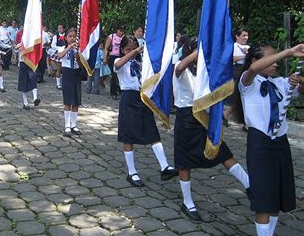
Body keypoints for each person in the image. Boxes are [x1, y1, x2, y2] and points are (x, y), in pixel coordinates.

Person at [238, 43, 303, 236]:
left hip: (280, 143)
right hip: (260, 144)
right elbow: (254, 67)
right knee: (264, 199)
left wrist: (299, 81)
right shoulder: (247, 82)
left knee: (276, 196)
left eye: (277, 58)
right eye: (271, 58)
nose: (275, 62)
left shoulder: (280, 84)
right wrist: (288, 52)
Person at [173, 38, 250, 221]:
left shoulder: (204, 72)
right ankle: (187, 201)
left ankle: (250, 185)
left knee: (221, 151)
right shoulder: (181, 67)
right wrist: (198, 53)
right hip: (185, 118)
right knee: (184, 161)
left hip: (204, 118)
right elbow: (179, 68)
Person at [114, 36, 178, 187]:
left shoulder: (140, 64)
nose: (131, 51)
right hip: (128, 99)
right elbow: (120, 64)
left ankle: (164, 167)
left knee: (152, 130)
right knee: (128, 135)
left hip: (142, 98)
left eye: (133, 48)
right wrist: (134, 51)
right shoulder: (118, 62)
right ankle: (132, 172)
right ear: (122, 50)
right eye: (127, 49)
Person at [57, 28, 82, 137]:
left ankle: (74, 124)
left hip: (76, 73)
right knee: (68, 101)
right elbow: (60, 56)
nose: (72, 38)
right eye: (70, 36)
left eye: (74, 36)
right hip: (67, 73)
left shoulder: (79, 49)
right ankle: (67, 125)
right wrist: (69, 47)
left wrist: (78, 57)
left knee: (76, 101)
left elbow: (82, 65)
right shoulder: (62, 47)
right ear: (66, 38)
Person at [224, 28, 250, 124]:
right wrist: (245, 56)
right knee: (238, 96)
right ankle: (226, 114)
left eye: (247, 35)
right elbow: (231, 59)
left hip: (246, 71)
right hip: (236, 71)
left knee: (244, 96)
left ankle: (227, 115)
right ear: (237, 36)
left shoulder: (248, 47)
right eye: (243, 35)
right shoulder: (233, 47)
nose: (246, 38)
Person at [15, 42, 41, 110]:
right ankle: (25, 102)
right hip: (23, 63)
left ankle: (35, 98)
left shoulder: (33, 42)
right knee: (23, 82)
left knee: (33, 79)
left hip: (31, 63)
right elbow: (16, 49)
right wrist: (21, 45)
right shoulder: (22, 42)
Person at [103, 26, 125, 99]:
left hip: (120, 56)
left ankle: (119, 89)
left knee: (120, 74)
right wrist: (105, 57)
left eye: (123, 31)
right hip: (112, 57)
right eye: (120, 31)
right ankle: (113, 92)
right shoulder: (112, 36)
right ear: (117, 30)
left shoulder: (124, 38)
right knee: (114, 74)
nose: (121, 32)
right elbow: (106, 48)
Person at [49, 24, 66, 90]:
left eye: (60, 28)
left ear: (64, 29)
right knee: (59, 69)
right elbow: (53, 45)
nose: (59, 30)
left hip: (66, 53)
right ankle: (58, 84)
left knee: (65, 69)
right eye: (58, 28)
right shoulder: (56, 36)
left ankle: (65, 83)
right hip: (58, 53)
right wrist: (60, 48)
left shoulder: (67, 35)